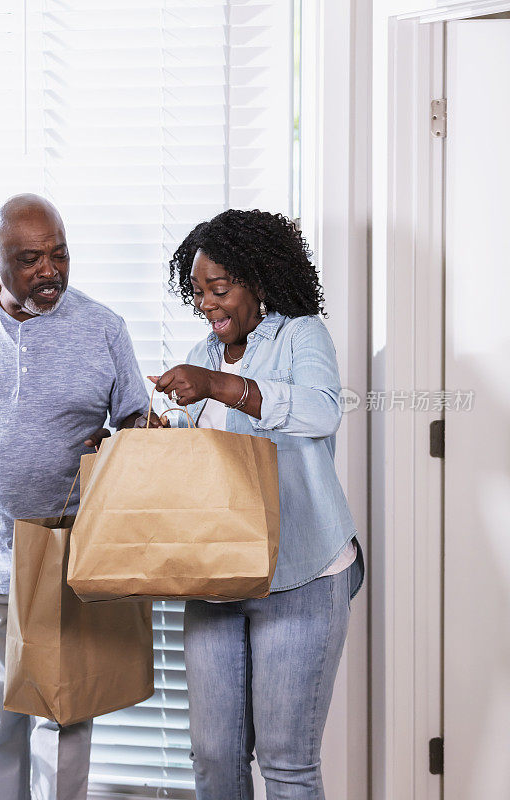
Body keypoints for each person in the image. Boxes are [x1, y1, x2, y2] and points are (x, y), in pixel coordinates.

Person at [0, 194, 161, 800]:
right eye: (31, 258)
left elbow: (137, 431)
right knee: (0, 720)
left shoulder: (102, 328)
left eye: (60, 255)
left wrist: (125, 435)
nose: (50, 271)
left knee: (63, 717)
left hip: (68, 559)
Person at [150, 209, 364, 800]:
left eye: (219, 290)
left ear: (259, 281)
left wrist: (222, 387)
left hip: (302, 571)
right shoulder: (203, 349)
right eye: (198, 294)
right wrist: (152, 436)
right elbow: (201, 459)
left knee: (286, 760)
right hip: (218, 574)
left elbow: (322, 410)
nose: (208, 306)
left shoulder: (301, 334)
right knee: (214, 758)